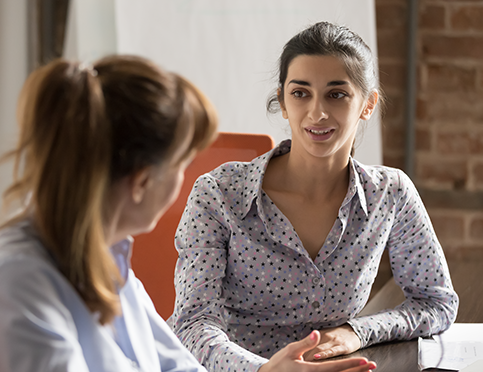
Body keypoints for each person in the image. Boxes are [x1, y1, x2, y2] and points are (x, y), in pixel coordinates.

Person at [0, 55, 377, 372]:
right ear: (142, 181)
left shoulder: (106, 259)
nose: (190, 179)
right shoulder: (16, 283)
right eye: (182, 164)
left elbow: (175, 366)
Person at [168, 21, 459, 372]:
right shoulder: (218, 195)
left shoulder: (390, 194)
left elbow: (436, 302)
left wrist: (357, 331)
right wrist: (264, 371)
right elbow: (192, 324)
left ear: (368, 104)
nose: (317, 112)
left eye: (336, 94)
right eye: (300, 93)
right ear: (283, 102)